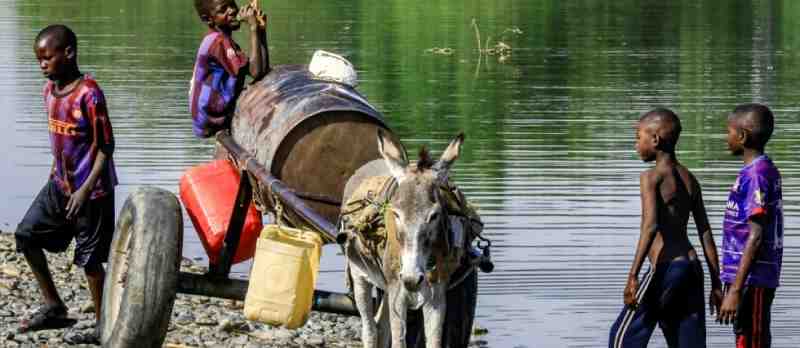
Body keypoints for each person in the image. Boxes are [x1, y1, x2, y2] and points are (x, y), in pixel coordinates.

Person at [15, 24, 117, 337]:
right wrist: (57, 179)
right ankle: (54, 306)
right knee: (26, 235)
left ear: (68, 53)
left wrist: (85, 191)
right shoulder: (49, 91)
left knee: (90, 261)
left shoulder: (89, 94)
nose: (42, 64)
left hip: (92, 191)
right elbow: (62, 144)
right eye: (38, 60)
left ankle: (102, 324)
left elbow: (106, 147)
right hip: (59, 185)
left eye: (47, 58)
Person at [609, 108, 723, 348]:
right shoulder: (690, 178)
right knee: (685, 342)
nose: (635, 144)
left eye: (638, 137)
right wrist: (716, 283)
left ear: (656, 140)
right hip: (692, 269)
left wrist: (633, 276)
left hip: (666, 267)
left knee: (621, 339)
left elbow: (649, 227)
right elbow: (705, 233)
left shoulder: (651, 177)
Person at [717, 104, 783, 348]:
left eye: (729, 132)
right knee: (745, 337)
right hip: (742, 277)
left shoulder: (757, 175)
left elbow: (755, 236)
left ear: (742, 136)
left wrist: (735, 291)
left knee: (754, 340)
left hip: (752, 279)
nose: (726, 138)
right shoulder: (756, 171)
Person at [189, 0, 269, 138]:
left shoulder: (223, 40)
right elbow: (256, 72)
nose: (232, 10)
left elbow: (261, 70)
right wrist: (253, 29)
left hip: (211, 116)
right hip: (211, 119)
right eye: (223, 10)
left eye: (232, 5)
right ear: (208, 19)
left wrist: (261, 31)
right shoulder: (218, 42)